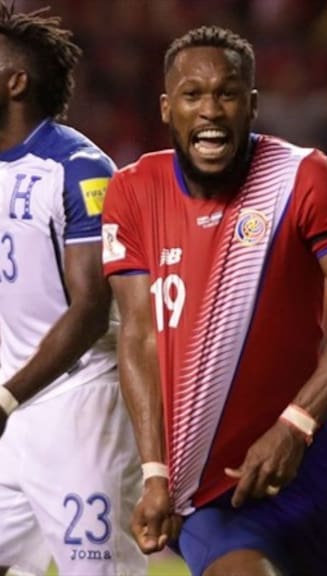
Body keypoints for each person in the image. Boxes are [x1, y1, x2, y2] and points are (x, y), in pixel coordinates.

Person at [102, 25, 327, 576]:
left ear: (252, 105)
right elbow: (139, 334)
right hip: (205, 488)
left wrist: (295, 425)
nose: (210, 110)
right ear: (168, 109)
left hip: (307, 462)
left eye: (227, 93)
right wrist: (153, 472)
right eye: (193, 95)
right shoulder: (132, 190)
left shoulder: (300, 176)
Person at [0, 4, 146, 576]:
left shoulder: (78, 168)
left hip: (78, 404)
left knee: (100, 571)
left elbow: (90, 309)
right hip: (14, 411)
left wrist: (8, 396)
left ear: (16, 81)